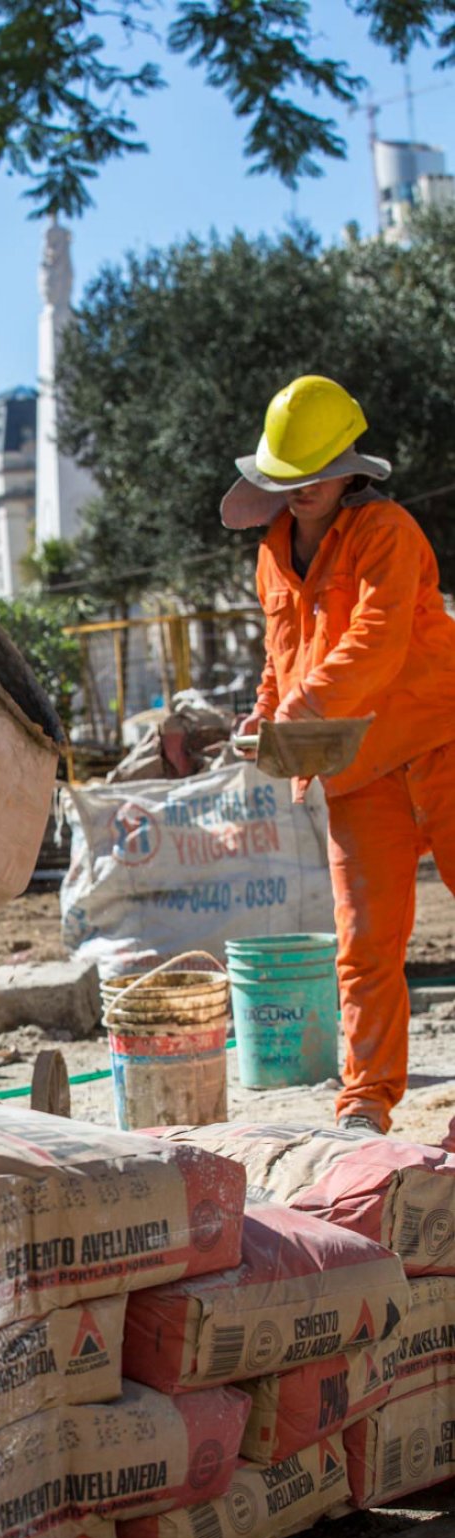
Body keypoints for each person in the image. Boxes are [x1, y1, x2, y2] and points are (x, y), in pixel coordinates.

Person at [223, 375, 455, 1135]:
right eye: (284, 480)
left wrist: (300, 710)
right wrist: (264, 717)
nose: (298, 493)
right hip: (356, 768)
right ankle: (365, 1103)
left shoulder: (387, 533)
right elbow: (280, 659)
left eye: (311, 477)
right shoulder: (270, 556)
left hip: (440, 740)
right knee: (363, 945)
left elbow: (375, 641)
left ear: (348, 467)